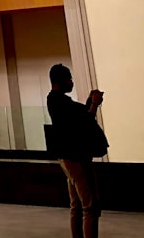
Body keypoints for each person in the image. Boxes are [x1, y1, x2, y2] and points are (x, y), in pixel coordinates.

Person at [47, 63, 108, 238]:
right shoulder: (61, 101)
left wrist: (90, 102)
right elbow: (84, 121)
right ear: (61, 81)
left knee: (77, 205)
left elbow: (79, 114)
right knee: (90, 206)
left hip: (68, 158)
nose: (71, 82)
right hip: (76, 158)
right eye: (69, 79)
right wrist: (94, 105)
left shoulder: (55, 100)